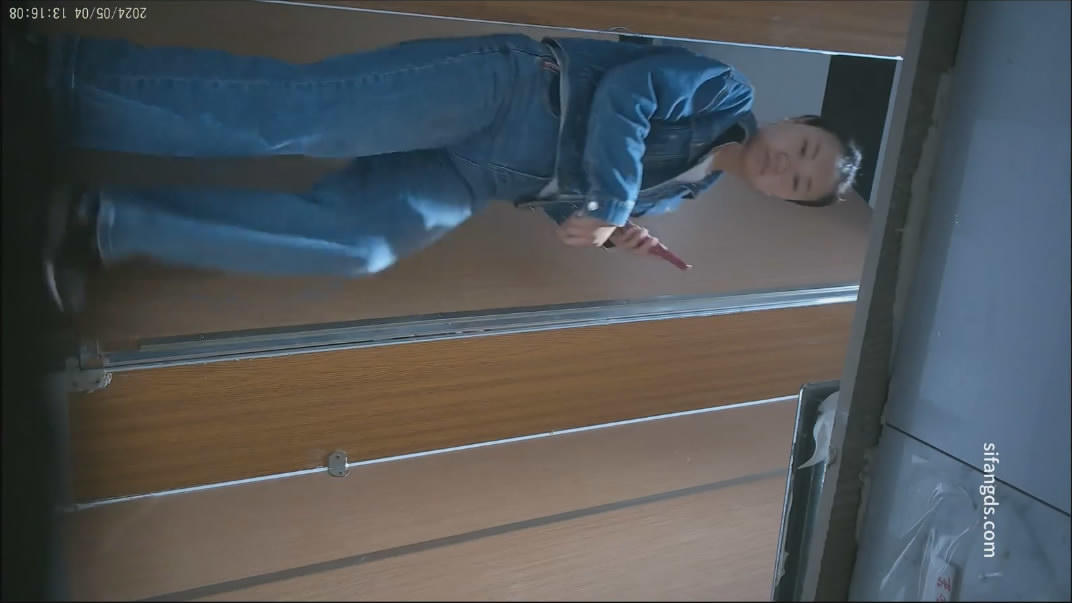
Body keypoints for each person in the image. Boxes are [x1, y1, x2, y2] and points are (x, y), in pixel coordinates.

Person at [16, 31, 861, 312]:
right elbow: (626, 96)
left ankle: (100, 221)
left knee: (359, 245)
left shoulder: (693, 189)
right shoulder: (726, 91)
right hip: (504, 92)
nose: (787, 164)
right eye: (804, 149)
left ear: (777, 197)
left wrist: (600, 229)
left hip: (480, 177)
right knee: (295, 118)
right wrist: (611, 199)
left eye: (798, 181)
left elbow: (565, 199)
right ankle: (59, 77)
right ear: (798, 121)